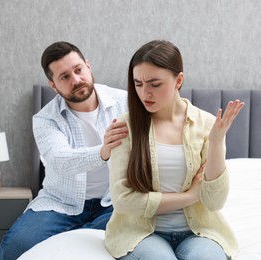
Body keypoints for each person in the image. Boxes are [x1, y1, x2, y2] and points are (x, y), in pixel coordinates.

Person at [105, 40, 244, 260]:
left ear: (178, 80)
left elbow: (214, 202)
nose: (144, 93)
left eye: (154, 84)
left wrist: (216, 141)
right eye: (138, 84)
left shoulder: (207, 124)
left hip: (199, 232)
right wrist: (188, 196)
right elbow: (122, 200)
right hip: (140, 233)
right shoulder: (124, 127)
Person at [0, 41, 128, 260]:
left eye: (78, 70)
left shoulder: (125, 102)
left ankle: (80, 235)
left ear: (88, 66)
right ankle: (80, 232)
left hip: (114, 202)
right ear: (53, 85)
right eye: (64, 77)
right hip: (61, 203)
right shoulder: (45, 119)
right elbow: (61, 162)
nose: (76, 80)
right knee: (13, 249)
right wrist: (103, 151)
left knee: (120, 241)